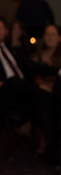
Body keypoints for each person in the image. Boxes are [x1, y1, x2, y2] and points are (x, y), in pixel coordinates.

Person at [0, 16, 60, 128]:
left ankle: (50, 144)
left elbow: (34, 67)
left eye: (1, 28)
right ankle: (50, 96)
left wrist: (59, 70)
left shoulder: (12, 50)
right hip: (1, 97)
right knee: (13, 81)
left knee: (47, 103)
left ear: (6, 32)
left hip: (22, 95)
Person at [30, 24, 61, 161]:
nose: (50, 37)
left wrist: (49, 86)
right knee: (45, 102)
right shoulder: (37, 55)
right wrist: (43, 85)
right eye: (47, 34)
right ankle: (51, 147)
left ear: (59, 38)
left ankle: (46, 143)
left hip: (57, 94)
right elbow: (35, 77)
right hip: (43, 94)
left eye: (53, 34)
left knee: (47, 103)